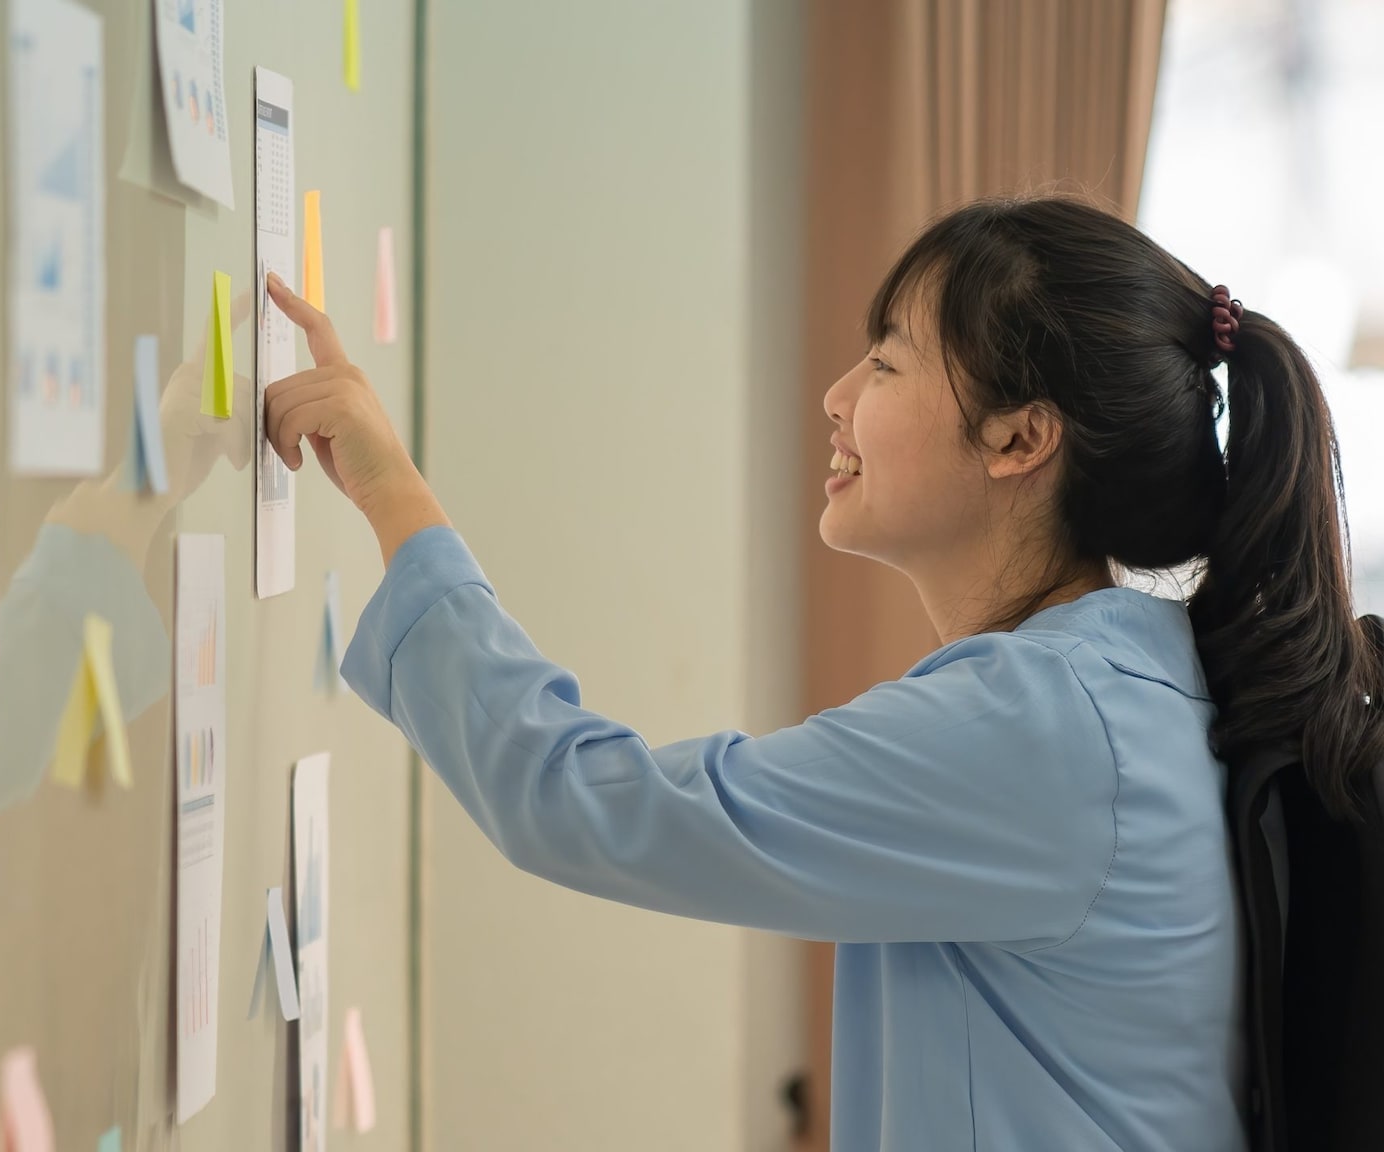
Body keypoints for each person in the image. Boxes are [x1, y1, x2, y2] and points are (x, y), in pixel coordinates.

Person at [261, 194, 1384, 1150]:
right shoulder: (1116, 686)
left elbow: (581, 805)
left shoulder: (1042, 725)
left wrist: (389, 493)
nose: (836, 395)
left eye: (887, 360)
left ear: (1017, 439)